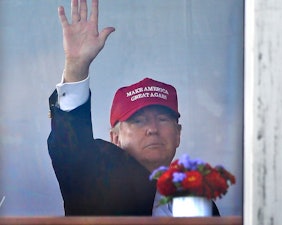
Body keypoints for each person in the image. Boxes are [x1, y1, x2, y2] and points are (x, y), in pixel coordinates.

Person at [47, 0, 220, 216]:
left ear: (178, 135)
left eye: (163, 119)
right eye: (138, 120)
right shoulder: (94, 177)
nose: (153, 129)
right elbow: (70, 146)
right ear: (115, 138)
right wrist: (76, 66)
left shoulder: (198, 200)